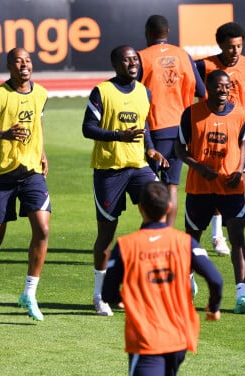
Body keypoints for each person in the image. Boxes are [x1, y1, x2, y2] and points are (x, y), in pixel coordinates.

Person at [102, 181, 222, 376]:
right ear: (169, 207)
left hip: (147, 340)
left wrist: (122, 299)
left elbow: (107, 293)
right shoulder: (185, 242)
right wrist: (214, 306)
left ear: (140, 208)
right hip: (180, 338)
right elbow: (216, 279)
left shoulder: (126, 245)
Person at [82, 45, 168, 317]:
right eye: (126, 60)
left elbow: (144, 128)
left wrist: (151, 148)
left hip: (139, 167)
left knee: (158, 212)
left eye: (135, 60)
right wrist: (119, 136)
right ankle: (100, 294)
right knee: (106, 234)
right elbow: (88, 128)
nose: (132, 63)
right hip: (109, 171)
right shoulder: (102, 92)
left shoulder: (145, 91)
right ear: (115, 64)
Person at [0, 47, 50, 322]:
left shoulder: (41, 93)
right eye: (18, 61)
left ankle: (29, 293)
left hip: (31, 173)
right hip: (1, 175)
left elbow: (37, 125)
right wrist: (4, 133)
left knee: (42, 228)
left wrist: (42, 153)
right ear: (9, 66)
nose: (24, 65)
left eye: (28, 60)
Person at [176, 69, 245, 314]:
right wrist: (198, 167)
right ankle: (187, 286)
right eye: (218, 87)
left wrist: (240, 171)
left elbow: (243, 145)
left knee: (237, 236)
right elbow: (179, 149)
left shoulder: (241, 114)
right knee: (192, 240)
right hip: (199, 187)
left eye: (227, 86)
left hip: (231, 188)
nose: (223, 91)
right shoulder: (191, 114)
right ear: (207, 90)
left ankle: (241, 295)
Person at [195, 22, 245, 256]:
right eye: (231, 47)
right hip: (212, 133)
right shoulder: (204, 65)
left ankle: (231, 231)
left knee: (239, 180)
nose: (236, 52)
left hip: (238, 133)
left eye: (239, 46)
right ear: (221, 45)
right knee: (213, 182)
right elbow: (187, 85)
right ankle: (216, 235)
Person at [137, 14, 205, 227]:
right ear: (167, 32)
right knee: (172, 186)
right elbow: (202, 91)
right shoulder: (183, 55)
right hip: (181, 128)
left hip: (153, 128)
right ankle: (168, 232)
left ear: (148, 33)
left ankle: (152, 230)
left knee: (149, 186)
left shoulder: (140, 57)